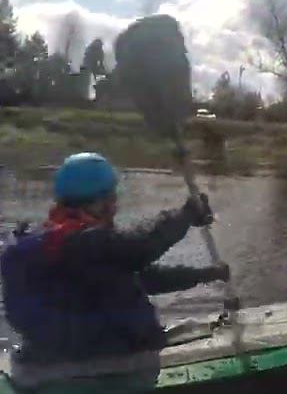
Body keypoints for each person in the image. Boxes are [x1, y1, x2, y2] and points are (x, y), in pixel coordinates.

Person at [0, 153, 231, 366]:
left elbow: (140, 277)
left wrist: (206, 274)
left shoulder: (52, 237)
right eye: (111, 198)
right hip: (97, 355)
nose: (115, 206)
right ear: (98, 201)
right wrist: (186, 215)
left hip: (57, 350)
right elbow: (140, 246)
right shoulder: (81, 242)